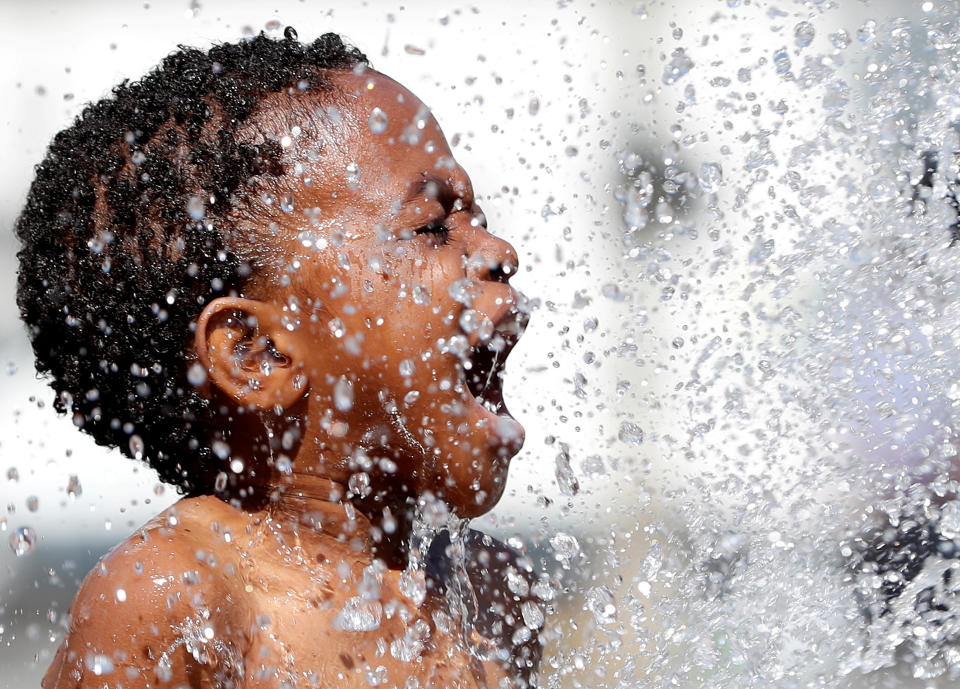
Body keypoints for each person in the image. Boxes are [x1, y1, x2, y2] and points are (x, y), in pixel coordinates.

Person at [17, 30, 542, 689]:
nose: (498, 251)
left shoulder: (488, 598)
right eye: (432, 227)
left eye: (478, 215)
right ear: (258, 353)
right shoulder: (179, 599)